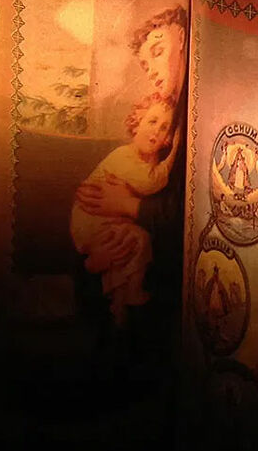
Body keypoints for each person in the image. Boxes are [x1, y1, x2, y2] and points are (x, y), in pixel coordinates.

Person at [71, 93, 181, 325]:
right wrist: (171, 158)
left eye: (164, 128)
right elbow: (150, 182)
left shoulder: (147, 160)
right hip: (92, 220)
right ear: (136, 123)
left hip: (108, 223)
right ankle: (129, 294)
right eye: (152, 121)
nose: (156, 131)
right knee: (137, 241)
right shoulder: (124, 156)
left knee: (133, 244)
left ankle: (121, 301)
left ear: (168, 138)